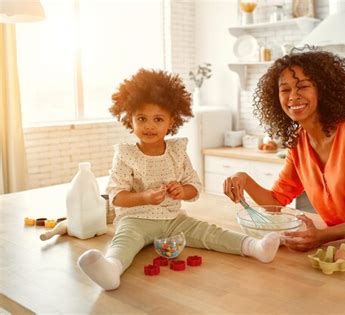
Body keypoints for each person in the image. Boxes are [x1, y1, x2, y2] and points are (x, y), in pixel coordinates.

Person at [77, 69, 280, 291]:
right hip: (135, 220)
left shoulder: (177, 150)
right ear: (130, 120)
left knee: (209, 232)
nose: (149, 126)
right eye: (141, 118)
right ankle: (111, 270)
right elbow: (117, 197)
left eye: (158, 119)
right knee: (124, 242)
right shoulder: (126, 154)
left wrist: (182, 191)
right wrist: (144, 196)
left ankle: (255, 247)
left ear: (171, 121)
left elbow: (194, 187)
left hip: (173, 219)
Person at [223, 48, 345, 252]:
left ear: (323, 90)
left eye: (303, 86)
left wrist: (322, 236)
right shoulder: (298, 143)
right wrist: (244, 179)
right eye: (285, 90)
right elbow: (277, 201)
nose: (293, 97)